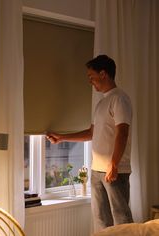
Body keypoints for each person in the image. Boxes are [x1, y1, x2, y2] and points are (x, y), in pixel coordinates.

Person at [46, 55, 133, 232]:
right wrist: (62, 138)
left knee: (121, 220)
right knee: (101, 220)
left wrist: (114, 164)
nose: (90, 81)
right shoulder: (101, 103)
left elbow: (122, 133)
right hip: (97, 171)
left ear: (103, 74)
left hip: (114, 170)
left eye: (91, 77)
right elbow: (91, 133)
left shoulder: (120, 99)